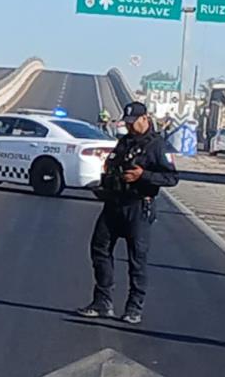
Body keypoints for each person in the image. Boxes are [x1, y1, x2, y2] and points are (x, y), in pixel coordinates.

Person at [77, 102, 180, 325]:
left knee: (137, 259)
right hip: (114, 203)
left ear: (146, 119)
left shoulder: (158, 146)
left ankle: (134, 307)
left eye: (134, 123)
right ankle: (102, 301)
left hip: (139, 206)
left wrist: (143, 176)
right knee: (99, 248)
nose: (131, 127)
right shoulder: (124, 142)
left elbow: (172, 178)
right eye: (128, 123)